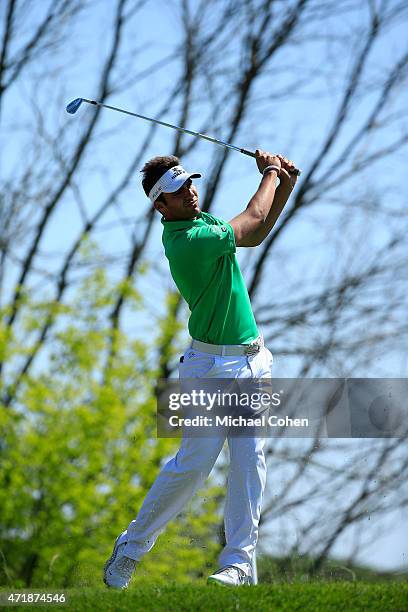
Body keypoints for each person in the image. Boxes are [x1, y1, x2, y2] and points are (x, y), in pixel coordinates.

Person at [103, 150, 298, 588]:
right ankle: (132, 547)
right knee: (193, 465)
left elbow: (255, 233)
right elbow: (251, 216)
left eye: (189, 183)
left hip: (251, 360)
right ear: (160, 206)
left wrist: (284, 183)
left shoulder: (204, 222)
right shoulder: (187, 241)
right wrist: (270, 172)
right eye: (178, 191)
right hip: (209, 366)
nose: (190, 192)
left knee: (250, 462)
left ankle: (239, 566)